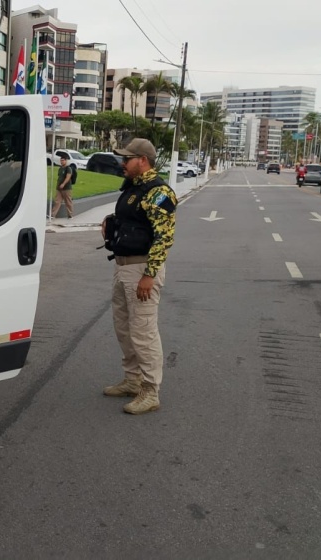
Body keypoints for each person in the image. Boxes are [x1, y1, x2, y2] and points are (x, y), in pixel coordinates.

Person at [101, 138, 177, 415]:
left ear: (142, 160)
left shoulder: (159, 192)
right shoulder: (135, 188)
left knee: (143, 332)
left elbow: (164, 237)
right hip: (122, 266)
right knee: (124, 327)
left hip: (141, 269)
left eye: (128, 159)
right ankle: (132, 380)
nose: (123, 163)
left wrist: (149, 274)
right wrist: (111, 221)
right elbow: (136, 219)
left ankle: (150, 390)